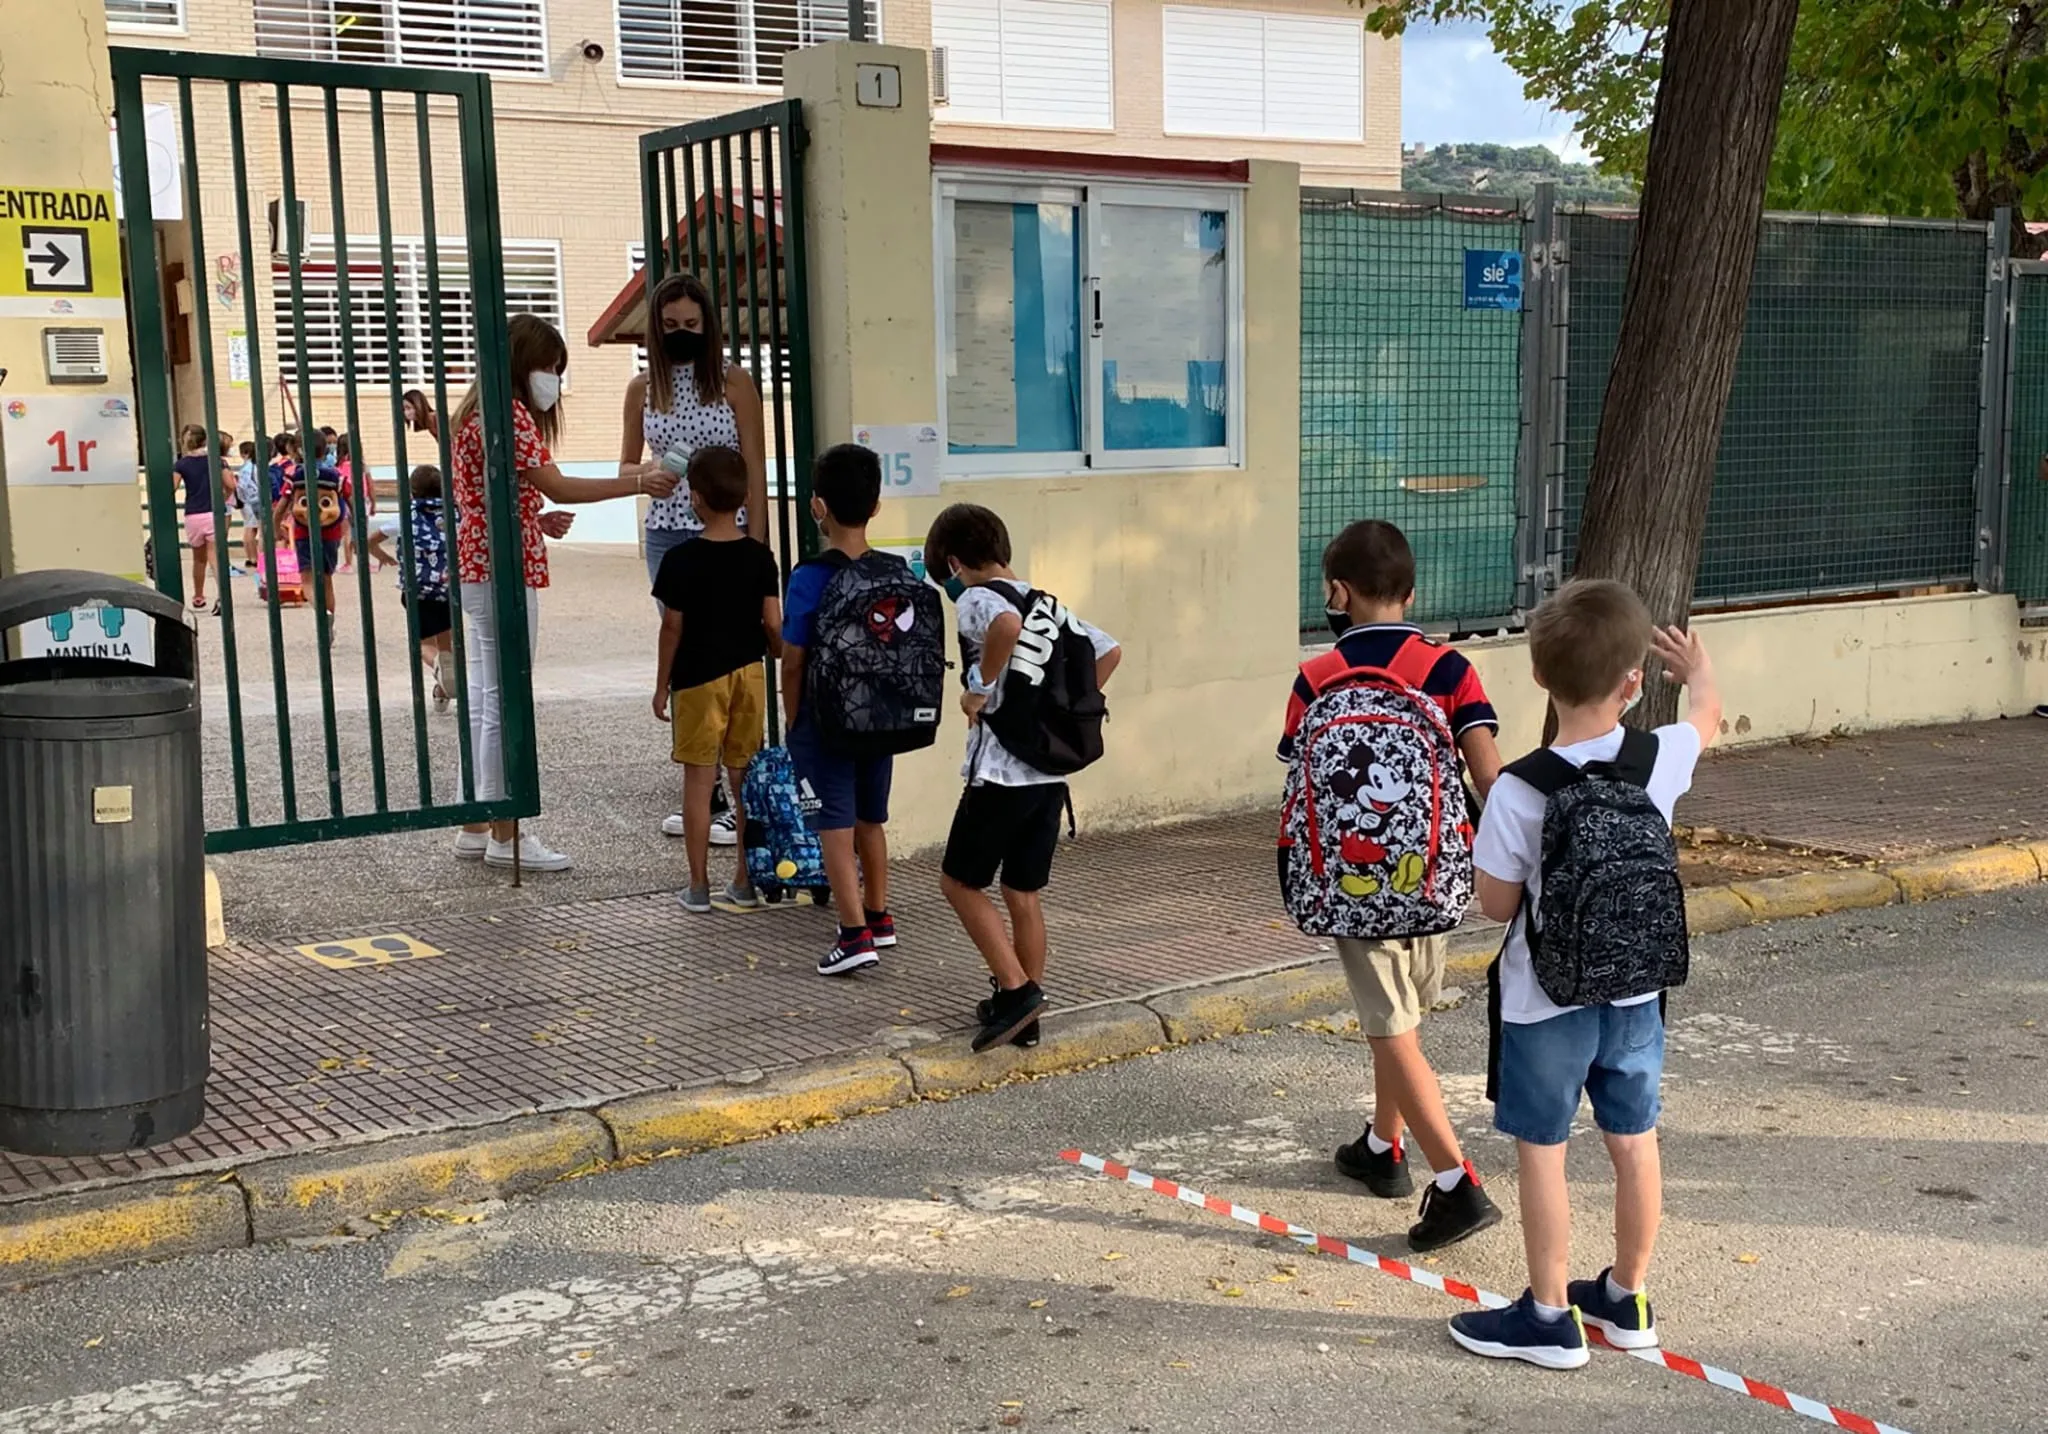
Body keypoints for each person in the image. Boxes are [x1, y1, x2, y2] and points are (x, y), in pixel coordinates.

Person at [1447, 580, 1722, 1370]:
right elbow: (1707, 716)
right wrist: (1697, 670)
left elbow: (1498, 907)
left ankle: (1546, 1318)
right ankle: (1627, 1297)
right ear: (1634, 682)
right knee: (1634, 1142)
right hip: (1637, 993)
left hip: (1546, 1001)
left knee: (1545, 1150)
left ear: (1538, 678)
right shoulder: (1659, 757)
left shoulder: (1520, 789)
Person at [1278, 519, 1505, 1251]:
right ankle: (1383, 1146)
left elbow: (1299, 773)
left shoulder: (1314, 678)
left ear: (1336, 594)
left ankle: (1456, 1184)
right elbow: (1488, 776)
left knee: (1391, 1024)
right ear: (1413, 594)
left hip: (1350, 883)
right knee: (1400, 1016)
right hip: (1434, 877)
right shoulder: (1448, 669)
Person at [449, 312, 677, 873]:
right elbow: (555, 481)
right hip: (502, 565)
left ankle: (477, 823)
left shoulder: (473, 415)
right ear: (523, 364)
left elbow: (504, 491)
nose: (553, 378)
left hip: (480, 557)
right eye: (550, 367)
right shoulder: (510, 416)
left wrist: (534, 518)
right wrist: (637, 482)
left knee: (485, 697)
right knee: (507, 698)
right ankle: (509, 832)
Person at [926, 502, 1121, 1053]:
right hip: (1048, 776)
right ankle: (1025, 1013)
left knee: (959, 882)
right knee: (1022, 891)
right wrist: (1062, 711)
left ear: (957, 563)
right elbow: (1108, 651)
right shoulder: (1049, 604)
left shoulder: (979, 601)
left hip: (1000, 774)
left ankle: (1015, 992)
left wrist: (980, 688)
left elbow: (1004, 628)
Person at [621, 273, 769, 848]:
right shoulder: (641, 388)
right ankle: (700, 783)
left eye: (691, 324)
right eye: (670, 325)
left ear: (707, 326)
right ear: (655, 330)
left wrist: (756, 541)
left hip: (727, 531)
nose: (681, 333)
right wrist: (645, 477)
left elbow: (754, 465)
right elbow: (624, 468)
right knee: (684, 647)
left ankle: (740, 783)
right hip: (668, 534)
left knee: (733, 646)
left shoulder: (734, 384)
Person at [781, 444, 898, 976]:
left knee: (833, 823)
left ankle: (852, 936)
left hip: (827, 721)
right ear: (876, 507)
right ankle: (879, 915)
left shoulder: (809, 576)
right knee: (871, 818)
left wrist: (793, 716)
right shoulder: (894, 573)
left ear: (816, 507)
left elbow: (793, 658)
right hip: (882, 719)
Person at [651, 445, 782, 914]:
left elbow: (672, 627)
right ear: (746, 495)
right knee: (744, 778)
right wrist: (779, 651)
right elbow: (772, 622)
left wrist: (662, 683)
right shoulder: (760, 557)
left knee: (699, 784)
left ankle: (698, 884)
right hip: (748, 673)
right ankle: (744, 880)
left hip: (697, 679)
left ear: (695, 498)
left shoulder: (681, 560)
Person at [398, 463, 454, 714]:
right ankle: (444, 690)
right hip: (446, 587)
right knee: (446, 645)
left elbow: (372, 540)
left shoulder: (408, 515)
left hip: (417, 588)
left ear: (412, 492)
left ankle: (439, 671)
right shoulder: (453, 513)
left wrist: (381, 555)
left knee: (422, 644)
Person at [275, 440, 347, 626]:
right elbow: (349, 500)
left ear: (300, 450)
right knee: (326, 579)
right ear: (325, 451)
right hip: (331, 532)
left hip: (303, 532)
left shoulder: (296, 476)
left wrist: (276, 527)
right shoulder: (335, 475)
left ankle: (322, 613)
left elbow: (282, 505)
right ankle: (330, 616)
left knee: (307, 580)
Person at [172, 425, 222, 612]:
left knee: (198, 559)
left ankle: (198, 595)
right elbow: (230, 484)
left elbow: (173, 487)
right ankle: (222, 594)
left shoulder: (182, 464)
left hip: (193, 513)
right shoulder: (215, 461)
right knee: (214, 556)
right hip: (212, 512)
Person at [235, 440, 264, 573]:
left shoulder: (244, 468)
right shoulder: (252, 467)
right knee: (252, 529)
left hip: (245, 501)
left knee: (248, 528)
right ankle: (253, 557)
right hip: (252, 500)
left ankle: (250, 556)